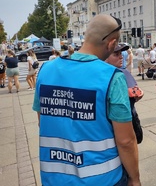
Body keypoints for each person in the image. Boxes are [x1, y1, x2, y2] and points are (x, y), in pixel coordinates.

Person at [32, 14, 141, 186]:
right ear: (112, 43)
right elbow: (126, 140)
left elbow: (43, 120)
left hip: (55, 177)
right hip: (103, 178)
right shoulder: (112, 77)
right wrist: (135, 178)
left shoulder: (45, 71)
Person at [106, 44, 144, 144]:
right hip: (113, 124)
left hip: (129, 119)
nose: (121, 56)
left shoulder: (123, 72)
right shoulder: (108, 74)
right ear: (105, 58)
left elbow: (136, 92)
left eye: (121, 53)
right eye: (116, 54)